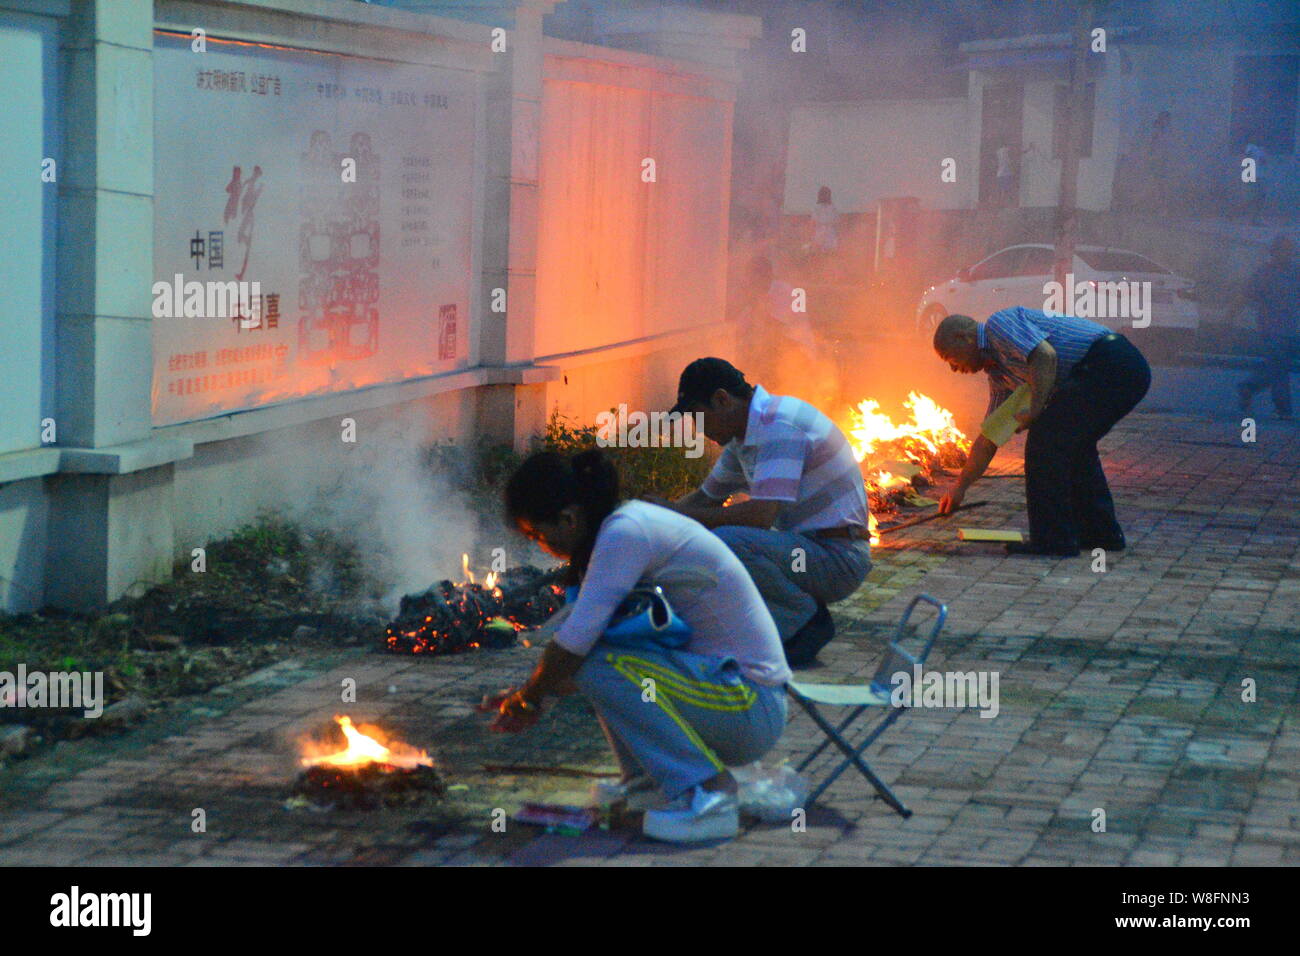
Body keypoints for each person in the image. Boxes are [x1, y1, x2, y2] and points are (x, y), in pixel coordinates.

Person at [481, 448, 791, 844]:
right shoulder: (622, 527)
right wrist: (530, 693)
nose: (542, 546)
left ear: (569, 518)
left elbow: (572, 647)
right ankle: (648, 786)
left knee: (591, 663)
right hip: (732, 698)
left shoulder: (624, 533)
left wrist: (530, 697)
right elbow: (587, 661)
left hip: (751, 706)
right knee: (598, 664)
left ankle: (708, 793)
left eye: (539, 535)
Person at [655, 358, 871, 666]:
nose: (697, 429)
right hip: (811, 551)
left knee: (730, 541)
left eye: (697, 416)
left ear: (721, 399)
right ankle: (777, 624)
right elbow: (705, 500)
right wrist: (652, 520)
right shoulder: (744, 439)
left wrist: (679, 516)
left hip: (838, 558)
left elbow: (760, 516)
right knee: (713, 538)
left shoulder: (778, 425)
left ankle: (804, 624)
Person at [933, 309, 1151, 556]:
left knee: (1044, 444)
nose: (953, 368)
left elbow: (1045, 355)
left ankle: (1053, 540)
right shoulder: (1001, 375)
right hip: (1115, 371)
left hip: (1111, 362)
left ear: (965, 337)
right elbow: (989, 438)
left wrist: (1035, 409)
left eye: (949, 357)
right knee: (1076, 449)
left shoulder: (998, 325)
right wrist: (960, 487)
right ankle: (1101, 535)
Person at [1231, 235, 1298, 420]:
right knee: (1279, 369)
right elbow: (1246, 295)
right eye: (1283, 250)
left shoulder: (1295, 272)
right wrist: (1231, 315)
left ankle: (1248, 387)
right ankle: (1284, 409)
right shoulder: (1264, 273)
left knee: (1279, 366)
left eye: (1290, 250)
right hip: (1272, 328)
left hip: (1294, 328)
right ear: (1274, 252)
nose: (1287, 254)